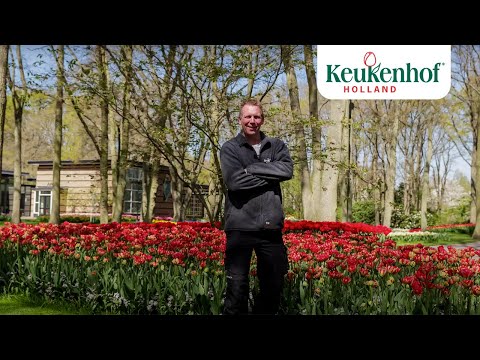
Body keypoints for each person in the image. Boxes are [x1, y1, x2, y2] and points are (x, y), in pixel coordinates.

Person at [220, 98, 293, 315]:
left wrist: (251, 169)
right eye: (248, 116)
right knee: (237, 290)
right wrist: (270, 174)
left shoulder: (277, 146)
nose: (253, 121)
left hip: (270, 229)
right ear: (240, 119)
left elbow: (287, 171)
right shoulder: (230, 148)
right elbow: (234, 182)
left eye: (257, 116)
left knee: (273, 289)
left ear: (262, 119)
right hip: (240, 227)